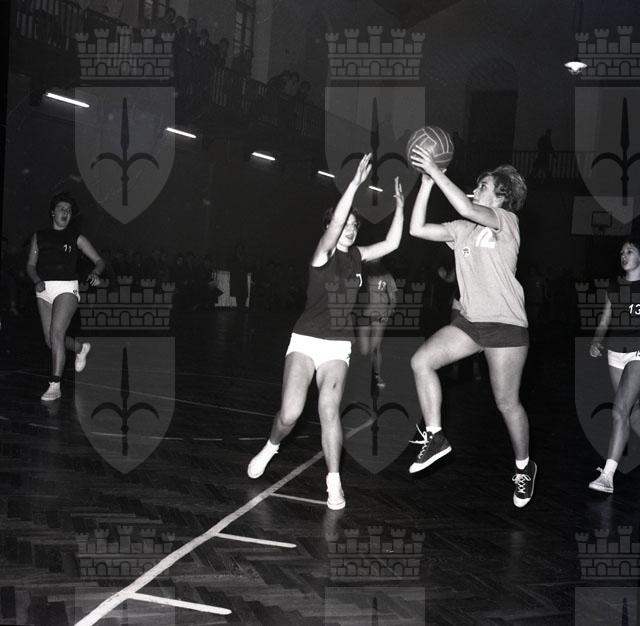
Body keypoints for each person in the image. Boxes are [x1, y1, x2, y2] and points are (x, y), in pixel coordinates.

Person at [247, 154, 404, 509]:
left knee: (329, 410)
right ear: (332, 225)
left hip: (337, 345)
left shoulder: (358, 256)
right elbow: (333, 230)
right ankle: (271, 446)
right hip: (306, 338)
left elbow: (392, 244)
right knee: (290, 413)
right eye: (344, 223)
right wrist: (355, 185)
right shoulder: (322, 254)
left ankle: (334, 483)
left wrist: (401, 207)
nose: (350, 228)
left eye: (354, 225)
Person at [408, 145, 536, 508]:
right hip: (470, 321)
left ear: (501, 196)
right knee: (421, 362)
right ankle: (435, 436)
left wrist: (436, 171)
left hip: (506, 324)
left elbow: (466, 207)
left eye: (483, 185)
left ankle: (524, 467)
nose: (475, 189)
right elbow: (417, 229)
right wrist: (426, 184)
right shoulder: (462, 229)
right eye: (477, 184)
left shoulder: (506, 221)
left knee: (506, 402)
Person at [26, 193, 104, 401]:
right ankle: (80, 348)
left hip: (66, 288)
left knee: (57, 333)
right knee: (51, 341)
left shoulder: (76, 238)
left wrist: (96, 273)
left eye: (69, 211)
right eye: (62, 208)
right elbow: (31, 265)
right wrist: (36, 280)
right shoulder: (39, 236)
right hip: (43, 290)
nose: (65, 212)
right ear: (53, 212)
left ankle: (55, 385)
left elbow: (99, 261)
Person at [588, 238, 640, 493]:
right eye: (621, 252)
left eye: (630, 251)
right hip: (615, 354)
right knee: (632, 412)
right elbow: (605, 320)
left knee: (619, 411)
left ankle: (607, 476)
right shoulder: (614, 286)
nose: (624, 255)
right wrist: (596, 340)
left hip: (638, 354)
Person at [356, 259, 397, 389]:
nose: (375, 259)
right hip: (363, 314)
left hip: (380, 315)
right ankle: (361, 371)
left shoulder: (387, 276)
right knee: (364, 350)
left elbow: (393, 299)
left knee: (375, 348)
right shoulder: (361, 274)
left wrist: (388, 313)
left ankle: (376, 376)